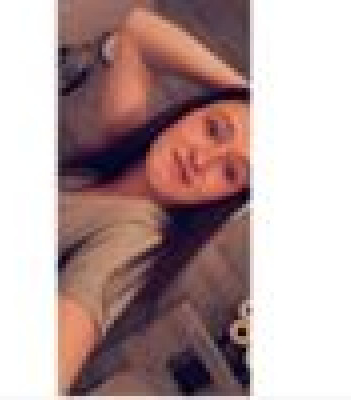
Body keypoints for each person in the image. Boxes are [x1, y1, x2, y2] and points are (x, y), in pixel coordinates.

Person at [58, 1, 250, 392]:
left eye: (230, 172)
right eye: (214, 130)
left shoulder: (132, 243)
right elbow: (138, 30)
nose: (201, 160)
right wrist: (249, 96)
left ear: (224, 199)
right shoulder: (124, 152)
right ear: (191, 113)